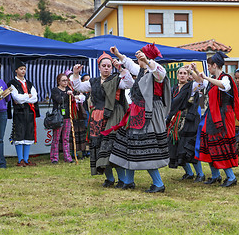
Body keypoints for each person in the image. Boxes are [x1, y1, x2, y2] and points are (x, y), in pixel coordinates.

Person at [107, 44, 171, 193]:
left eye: (141, 54)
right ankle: (129, 181)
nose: (137, 56)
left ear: (147, 56)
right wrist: (118, 53)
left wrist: (148, 61)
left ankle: (158, 183)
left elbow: (160, 73)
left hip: (150, 113)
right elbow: (129, 63)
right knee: (129, 143)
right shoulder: (141, 70)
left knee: (147, 147)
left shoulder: (156, 71)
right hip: (137, 111)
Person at [70, 52, 134, 188]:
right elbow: (78, 87)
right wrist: (76, 74)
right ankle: (109, 178)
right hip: (97, 118)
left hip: (114, 117)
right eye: (103, 66)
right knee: (100, 149)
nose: (106, 68)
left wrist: (121, 69)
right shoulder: (93, 82)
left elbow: (129, 83)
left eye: (109, 66)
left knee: (114, 149)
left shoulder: (117, 80)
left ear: (112, 67)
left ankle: (123, 180)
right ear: (99, 67)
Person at [197, 51, 239, 188]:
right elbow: (203, 82)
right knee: (210, 145)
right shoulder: (213, 80)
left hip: (223, 116)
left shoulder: (226, 78)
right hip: (213, 115)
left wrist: (206, 77)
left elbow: (224, 86)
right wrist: (194, 71)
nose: (208, 68)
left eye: (209, 65)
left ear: (215, 65)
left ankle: (231, 177)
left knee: (221, 146)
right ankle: (215, 175)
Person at [167, 63, 205, 182]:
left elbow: (200, 82)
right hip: (175, 120)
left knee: (189, 147)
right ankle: (188, 172)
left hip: (189, 120)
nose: (182, 75)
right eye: (180, 73)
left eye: (185, 73)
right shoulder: (173, 89)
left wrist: (192, 70)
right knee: (176, 146)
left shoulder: (191, 87)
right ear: (177, 76)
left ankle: (200, 174)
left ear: (188, 76)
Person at [8, 58, 39, 167]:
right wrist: (27, 96)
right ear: (16, 70)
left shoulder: (29, 83)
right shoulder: (12, 83)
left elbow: (35, 98)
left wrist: (24, 98)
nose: (23, 71)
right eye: (21, 69)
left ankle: (26, 159)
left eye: (24, 69)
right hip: (19, 113)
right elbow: (16, 98)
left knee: (28, 135)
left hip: (30, 112)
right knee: (19, 135)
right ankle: (20, 159)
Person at [50, 73, 76, 164]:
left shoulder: (69, 89)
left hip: (67, 116)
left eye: (66, 80)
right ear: (59, 81)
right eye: (63, 80)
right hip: (58, 116)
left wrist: (72, 95)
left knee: (66, 138)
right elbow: (59, 100)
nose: (65, 82)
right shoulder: (55, 90)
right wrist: (66, 94)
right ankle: (54, 158)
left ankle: (67, 157)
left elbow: (73, 100)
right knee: (56, 138)